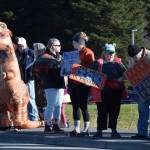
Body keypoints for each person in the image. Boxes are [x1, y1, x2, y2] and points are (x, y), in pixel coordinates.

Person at [93, 43, 126, 139]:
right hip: (103, 92)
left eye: (112, 53)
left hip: (116, 92)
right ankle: (99, 131)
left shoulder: (119, 64)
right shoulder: (98, 63)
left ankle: (114, 131)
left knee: (114, 112)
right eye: (109, 53)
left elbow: (126, 74)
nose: (111, 55)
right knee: (102, 111)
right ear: (104, 53)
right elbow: (90, 75)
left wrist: (121, 78)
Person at [34, 38, 65, 133]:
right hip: (50, 83)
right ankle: (47, 125)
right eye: (58, 45)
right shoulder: (44, 56)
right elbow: (38, 66)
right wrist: (58, 64)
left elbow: (61, 66)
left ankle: (56, 124)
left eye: (60, 45)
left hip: (59, 83)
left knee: (58, 105)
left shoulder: (59, 57)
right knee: (51, 105)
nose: (60, 47)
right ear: (52, 46)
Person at [68, 32, 95, 136]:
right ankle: (76, 128)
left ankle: (86, 129)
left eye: (74, 42)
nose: (72, 44)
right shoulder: (74, 53)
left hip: (83, 83)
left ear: (79, 43)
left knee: (83, 106)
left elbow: (93, 67)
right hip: (73, 81)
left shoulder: (88, 52)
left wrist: (80, 64)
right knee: (75, 106)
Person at [127, 44, 150, 140]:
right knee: (142, 110)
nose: (134, 60)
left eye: (135, 57)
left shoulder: (149, 56)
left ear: (140, 52)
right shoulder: (133, 58)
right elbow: (131, 71)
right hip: (143, 91)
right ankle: (142, 133)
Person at [16, 37, 39, 121]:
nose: (20, 47)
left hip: (29, 79)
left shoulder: (31, 53)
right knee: (20, 100)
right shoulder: (16, 54)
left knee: (31, 99)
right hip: (19, 81)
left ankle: (34, 118)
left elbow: (33, 65)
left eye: (21, 46)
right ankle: (23, 118)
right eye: (18, 46)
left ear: (25, 45)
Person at [33, 43, 47, 120]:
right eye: (35, 50)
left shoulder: (43, 59)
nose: (35, 51)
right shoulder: (36, 59)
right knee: (39, 102)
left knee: (43, 102)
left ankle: (46, 120)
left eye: (37, 50)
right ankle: (43, 119)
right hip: (37, 83)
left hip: (42, 84)